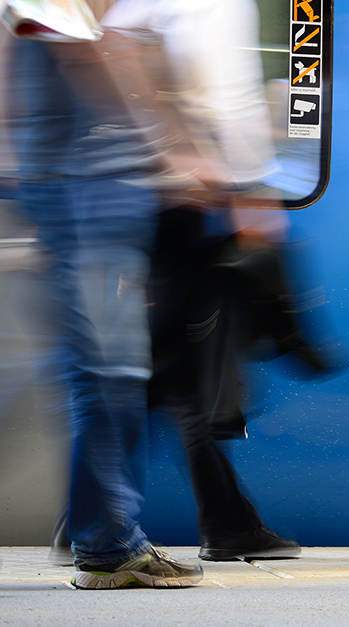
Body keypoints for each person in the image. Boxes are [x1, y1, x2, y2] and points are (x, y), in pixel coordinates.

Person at [5, 1, 204, 588]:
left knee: (100, 376)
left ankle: (102, 535)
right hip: (88, 209)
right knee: (108, 377)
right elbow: (90, 57)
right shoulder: (59, 12)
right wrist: (169, 147)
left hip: (85, 208)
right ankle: (104, 542)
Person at [100, 0, 303, 563]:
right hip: (192, 199)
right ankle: (104, 516)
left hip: (169, 198)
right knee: (171, 374)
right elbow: (224, 92)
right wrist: (247, 189)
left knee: (173, 373)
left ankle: (210, 519)